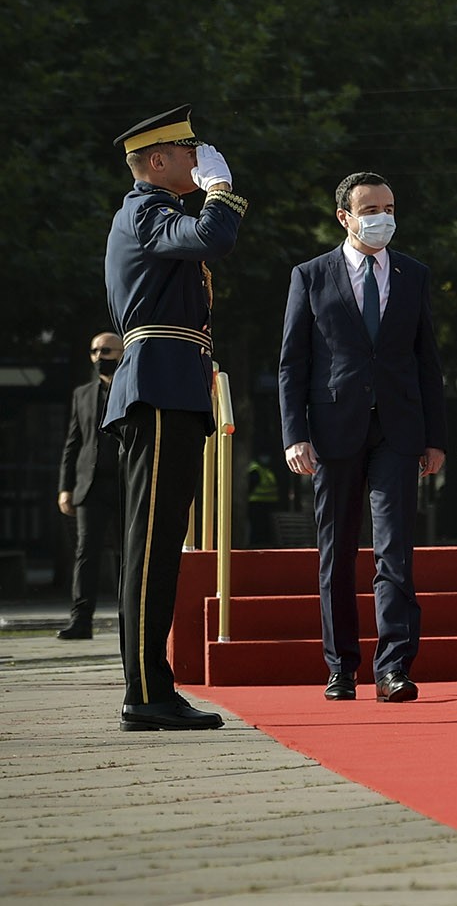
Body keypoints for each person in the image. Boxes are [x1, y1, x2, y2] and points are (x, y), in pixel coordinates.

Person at [279, 171, 449, 703]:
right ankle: (341, 666)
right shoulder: (310, 276)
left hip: (398, 431)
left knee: (395, 549)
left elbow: (428, 363)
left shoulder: (413, 274)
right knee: (336, 551)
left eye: (390, 207)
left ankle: (393, 666)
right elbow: (292, 364)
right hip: (333, 432)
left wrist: (435, 437)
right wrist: (294, 434)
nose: (383, 218)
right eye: (371, 208)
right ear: (345, 217)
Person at [103, 104, 244, 731]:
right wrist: (219, 192)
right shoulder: (145, 211)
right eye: (189, 153)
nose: (199, 160)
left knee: (161, 545)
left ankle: (151, 685)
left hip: (174, 388)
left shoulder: (157, 213)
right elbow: (213, 238)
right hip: (158, 389)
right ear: (157, 161)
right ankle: (144, 690)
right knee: (152, 546)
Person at [56, 333, 124, 641]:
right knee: (86, 553)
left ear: (122, 353)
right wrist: (65, 487)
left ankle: (130, 620)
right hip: (89, 486)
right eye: (95, 350)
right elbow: (73, 443)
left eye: (106, 350)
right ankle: (81, 620)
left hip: (125, 484)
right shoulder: (82, 394)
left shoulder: (132, 388)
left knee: (127, 553)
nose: (99, 356)